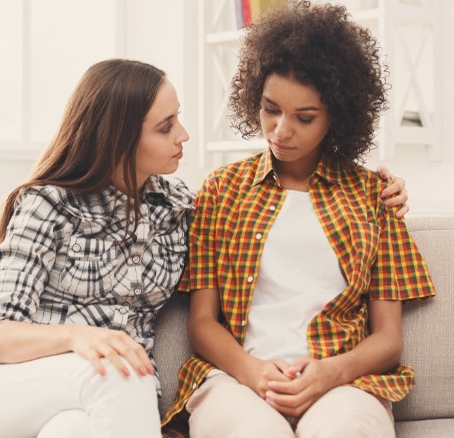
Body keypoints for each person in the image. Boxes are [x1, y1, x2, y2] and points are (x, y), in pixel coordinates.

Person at [0, 58, 409, 438]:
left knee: (77, 428)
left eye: (178, 119)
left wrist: (384, 188)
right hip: (13, 386)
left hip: (99, 399)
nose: (184, 136)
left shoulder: (177, 207)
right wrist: (81, 337)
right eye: (166, 126)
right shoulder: (46, 203)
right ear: (118, 137)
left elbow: (262, 221)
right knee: (126, 374)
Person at [161, 2, 436, 437]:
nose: (280, 131)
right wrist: (253, 372)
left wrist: (330, 373)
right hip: (237, 379)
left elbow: (388, 339)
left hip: (344, 383)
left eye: (304, 118)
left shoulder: (374, 196)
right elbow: (202, 322)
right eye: (271, 109)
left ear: (338, 117)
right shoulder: (221, 190)